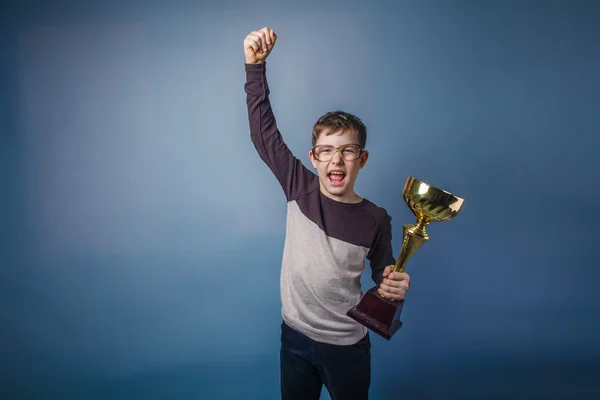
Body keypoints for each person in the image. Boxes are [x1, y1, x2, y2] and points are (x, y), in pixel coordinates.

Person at [243, 26, 410, 400]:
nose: (337, 159)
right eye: (327, 150)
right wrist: (255, 68)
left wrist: (394, 291)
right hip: (295, 336)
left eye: (348, 150)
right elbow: (264, 133)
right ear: (313, 158)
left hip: (347, 347)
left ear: (361, 159)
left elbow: (384, 282)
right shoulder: (298, 186)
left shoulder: (376, 219)